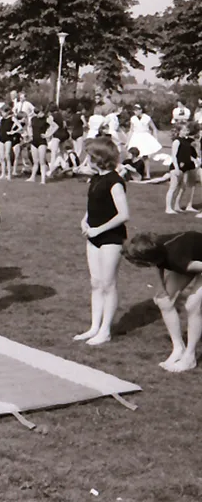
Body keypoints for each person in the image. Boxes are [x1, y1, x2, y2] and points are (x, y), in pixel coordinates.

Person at [74, 137, 130, 345]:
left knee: (108, 283)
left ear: (100, 159)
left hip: (111, 238)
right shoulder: (96, 178)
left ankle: (105, 330)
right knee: (95, 283)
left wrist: (99, 229)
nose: (87, 159)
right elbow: (93, 206)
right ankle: (94, 327)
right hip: (94, 236)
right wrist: (85, 220)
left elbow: (124, 214)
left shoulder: (115, 182)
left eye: (90, 156)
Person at [122, 231, 202, 372]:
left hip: (196, 261)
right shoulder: (155, 246)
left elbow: (187, 265)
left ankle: (190, 358)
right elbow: (159, 264)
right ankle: (178, 348)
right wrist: (161, 288)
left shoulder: (176, 259)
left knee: (193, 305)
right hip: (189, 256)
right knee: (162, 300)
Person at [165, 122, 199, 215]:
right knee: (173, 187)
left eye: (187, 130)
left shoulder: (187, 141)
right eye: (184, 130)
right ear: (179, 131)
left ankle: (177, 205)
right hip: (177, 167)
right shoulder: (177, 141)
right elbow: (174, 155)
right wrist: (176, 168)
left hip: (185, 168)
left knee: (183, 187)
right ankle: (168, 208)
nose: (186, 132)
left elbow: (191, 154)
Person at [127, 104, 161, 179]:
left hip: (144, 137)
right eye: (134, 110)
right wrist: (127, 141)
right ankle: (132, 173)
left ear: (141, 110)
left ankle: (147, 174)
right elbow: (131, 130)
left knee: (145, 156)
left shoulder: (147, 118)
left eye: (137, 110)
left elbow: (154, 128)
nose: (135, 112)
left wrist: (155, 139)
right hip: (135, 137)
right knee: (132, 155)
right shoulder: (133, 118)